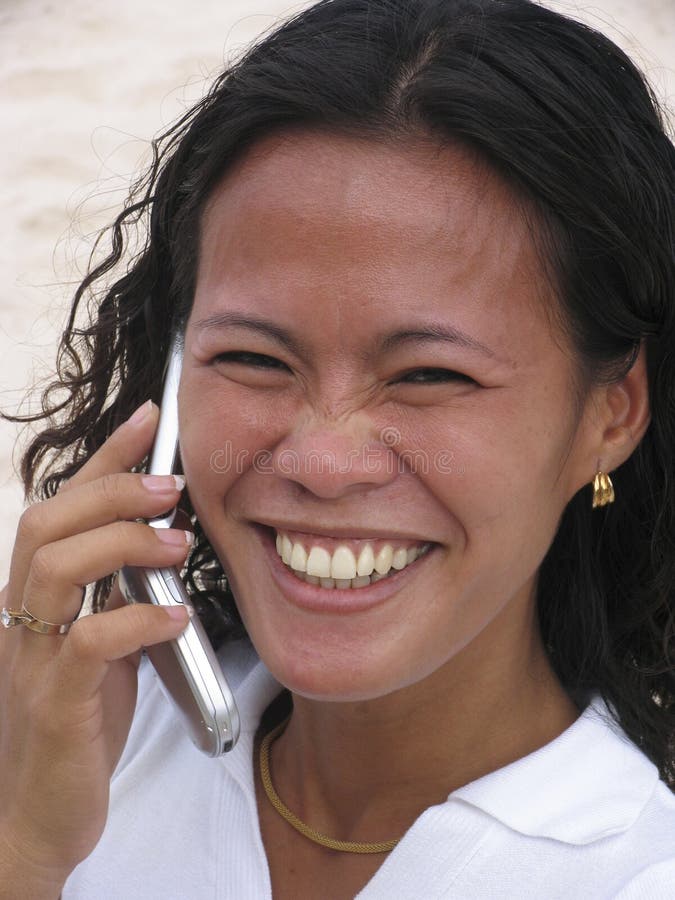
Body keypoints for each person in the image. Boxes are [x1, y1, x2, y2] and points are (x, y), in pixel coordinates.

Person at [1, 0, 674, 896]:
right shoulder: (61, 744)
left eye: (428, 375)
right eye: (250, 358)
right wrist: (26, 847)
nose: (321, 461)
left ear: (611, 416)